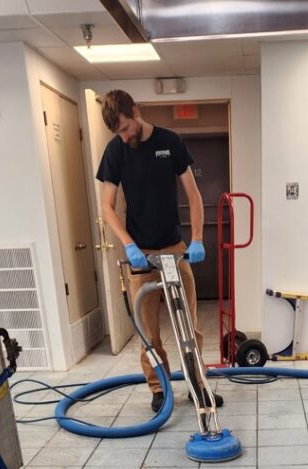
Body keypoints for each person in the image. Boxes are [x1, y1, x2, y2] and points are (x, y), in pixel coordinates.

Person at [96, 89, 224, 413]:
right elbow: (107, 207)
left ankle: (198, 384)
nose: (125, 137)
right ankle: (159, 387)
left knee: (188, 325)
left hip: (174, 248)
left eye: (126, 129)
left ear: (136, 112)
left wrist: (197, 239)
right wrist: (128, 244)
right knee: (148, 330)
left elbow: (194, 195)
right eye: (118, 133)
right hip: (140, 254)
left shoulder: (170, 142)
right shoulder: (115, 152)